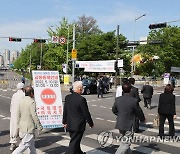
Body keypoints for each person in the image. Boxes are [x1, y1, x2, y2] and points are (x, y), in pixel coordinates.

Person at [112, 83, 145, 154]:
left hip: (120, 123)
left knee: (123, 141)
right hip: (129, 124)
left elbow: (114, 110)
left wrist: (120, 115)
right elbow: (139, 111)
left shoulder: (118, 99)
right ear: (130, 90)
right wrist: (142, 119)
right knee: (126, 143)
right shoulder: (133, 100)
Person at [63, 81, 94, 154]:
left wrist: (64, 122)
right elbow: (86, 113)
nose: (82, 89)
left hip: (70, 124)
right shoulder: (81, 99)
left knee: (75, 142)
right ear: (79, 89)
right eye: (82, 87)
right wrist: (91, 123)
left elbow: (65, 110)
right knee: (74, 144)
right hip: (78, 125)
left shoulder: (68, 97)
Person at [12, 86, 43, 154]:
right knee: (24, 145)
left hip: (22, 126)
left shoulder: (21, 101)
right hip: (28, 127)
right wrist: (39, 126)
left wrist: (18, 125)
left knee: (32, 146)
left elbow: (18, 114)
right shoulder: (31, 102)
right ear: (31, 93)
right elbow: (34, 115)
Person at [9, 83, 25, 151]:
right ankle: (22, 144)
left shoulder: (14, 95)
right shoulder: (24, 95)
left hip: (13, 113)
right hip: (21, 114)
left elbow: (11, 104)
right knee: (22, 128)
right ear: (23, 88)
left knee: (14, 128)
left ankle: (12, 144)